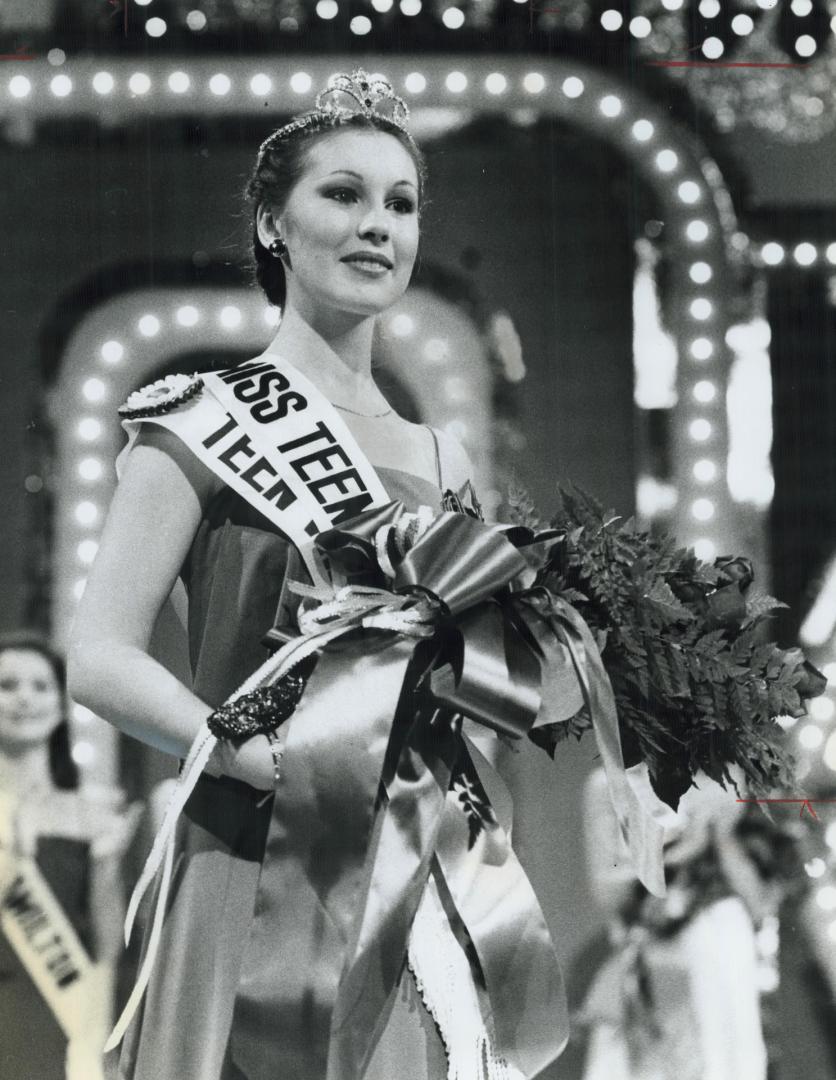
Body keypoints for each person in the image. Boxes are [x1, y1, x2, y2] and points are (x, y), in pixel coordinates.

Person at [68, 70, 662, 1080]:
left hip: (408, 865)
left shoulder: (442, 461)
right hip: (250, 851)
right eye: (341, 194)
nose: (375, 224)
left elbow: (477, 683)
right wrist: (246, 757)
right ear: (271, 222)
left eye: (400, 203)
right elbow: (96, 655)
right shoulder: (201, 420)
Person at [578, 764, 780, 1080]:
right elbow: (608, 894)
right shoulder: (607, 784)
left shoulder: (730, 771)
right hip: (656, 953)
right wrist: (673, 852)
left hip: (723, 946)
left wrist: (718, 837)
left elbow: (760, 901)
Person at [0, 631, 138, 1080]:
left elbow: (107, 948)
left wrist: (104, 866)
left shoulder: (94, 815)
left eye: (40, 686)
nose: (24, 698)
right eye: (7, 686)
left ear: (61, 707)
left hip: (57, 1020)